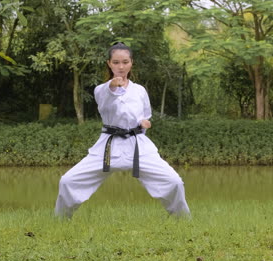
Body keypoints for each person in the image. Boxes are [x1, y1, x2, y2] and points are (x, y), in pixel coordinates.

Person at [54, 42, 190, 218]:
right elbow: (106, 97)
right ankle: (60, 219)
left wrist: (143, 123)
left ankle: (183, 219)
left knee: (174, 182)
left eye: (125, 62)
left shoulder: (140, 90)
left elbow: (145, 115)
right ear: (109, 63)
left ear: (131, 62)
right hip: (108, 146)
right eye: (116, 62)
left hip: (138, 145)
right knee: (68, 181)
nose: (121, 67)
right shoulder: (101, 89)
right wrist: (113, 85)